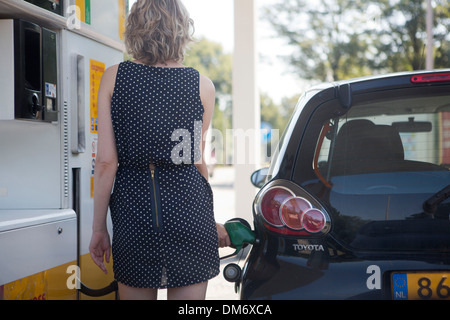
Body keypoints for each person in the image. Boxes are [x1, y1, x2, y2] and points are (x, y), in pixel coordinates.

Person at [89, 0, 231, 300]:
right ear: (182, 30)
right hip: (190, 216)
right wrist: (210, 219)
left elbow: (105, 163)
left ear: (135, 29)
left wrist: (99, 228)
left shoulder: (114, 77)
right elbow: (196, 161)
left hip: (134, 214)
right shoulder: (202, 85)